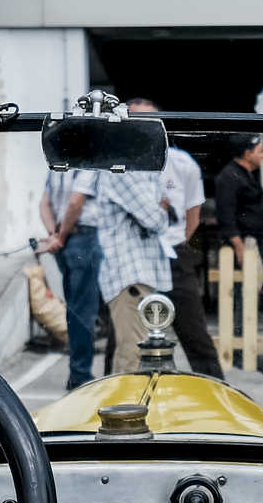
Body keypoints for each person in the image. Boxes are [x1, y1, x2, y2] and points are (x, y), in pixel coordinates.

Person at [125, 98, 223, 379]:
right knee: (127, 334)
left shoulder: (182, 164)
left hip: (174, 255)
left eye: (150, 120)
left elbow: (193, 214)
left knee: (195, 333)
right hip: (136, 257)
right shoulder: (120, 165)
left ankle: (216, 393)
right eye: (136, 120)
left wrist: (175, 243)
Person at [95, 160, 174, 376]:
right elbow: (155, 218)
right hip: (130, 275)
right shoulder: (122, 171)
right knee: (135, 354)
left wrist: (159, 208)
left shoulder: (139, 170)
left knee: (132, 352)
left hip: (138, 274)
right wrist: (159, 208)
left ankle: (125, 405)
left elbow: (161, 208)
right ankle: (127, 407)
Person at [212, 135, 263, 371]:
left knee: (252, 296)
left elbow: (251, 205)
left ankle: (247, 347)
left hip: (256, 242)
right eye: (260, 151)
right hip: (245, 244)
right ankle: (240, 351)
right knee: (244, 298)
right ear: (246, 152)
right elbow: (226, 215)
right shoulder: (228, 177)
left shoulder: (245, 175)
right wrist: (239, 247)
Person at [38, 164, 106, 389]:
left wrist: (54, 235)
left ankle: (77, 371)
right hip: (81, 236)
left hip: (64, 238)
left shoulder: (57, 166)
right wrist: (61, 235)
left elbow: (45, 204)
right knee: (83, 309)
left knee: (75, 308)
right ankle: (80, 375)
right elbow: (76, 202)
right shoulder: (86, 165)